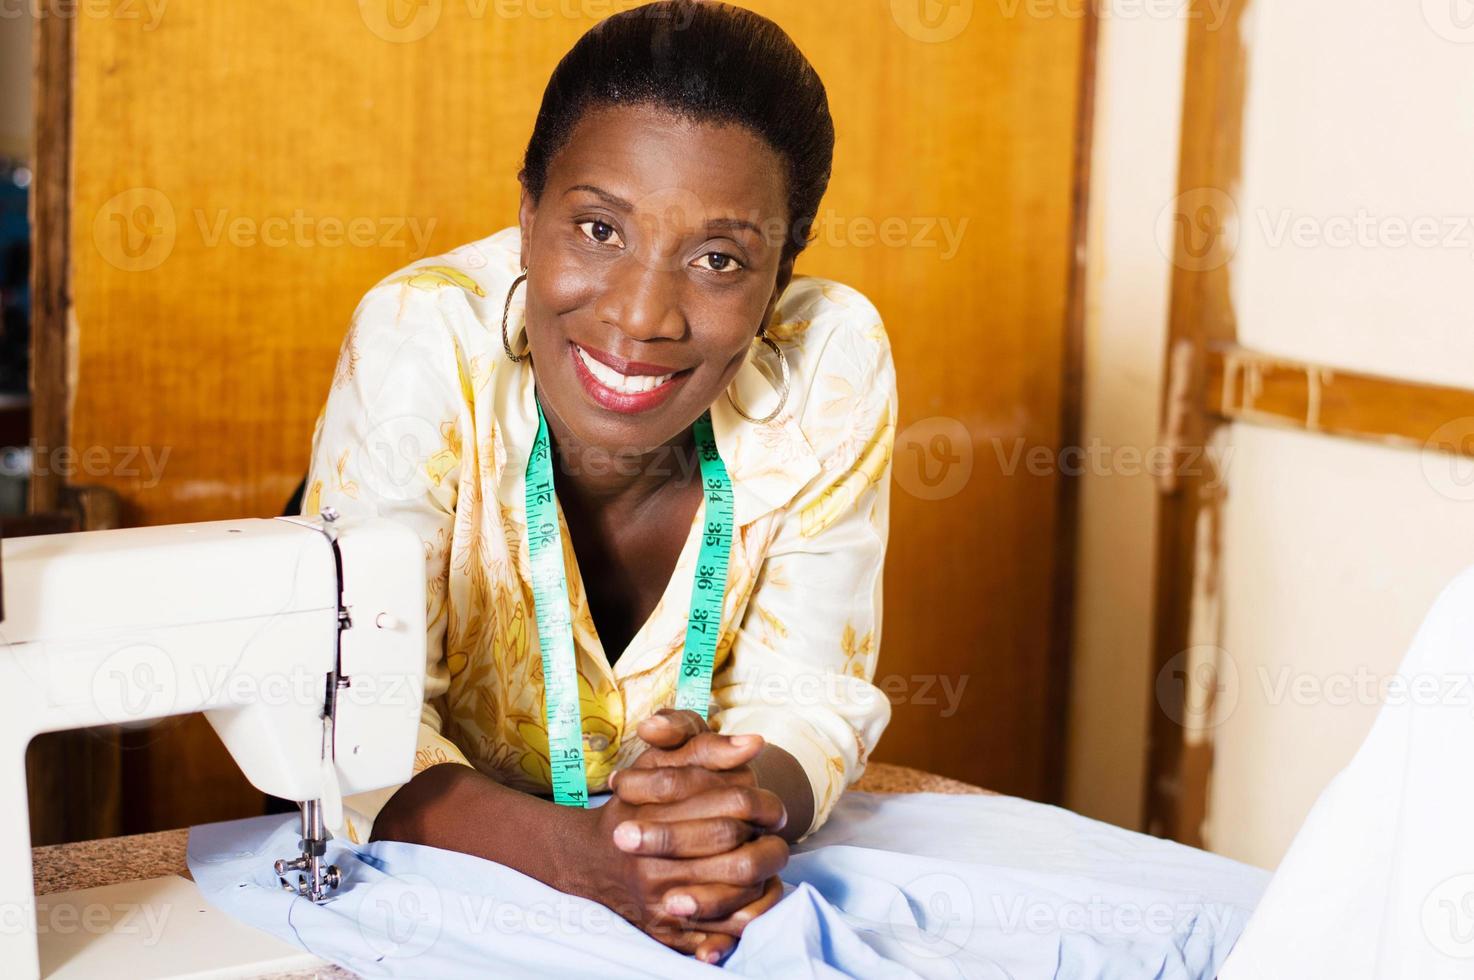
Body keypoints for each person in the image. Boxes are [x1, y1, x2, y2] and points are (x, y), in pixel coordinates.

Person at [302, 1, 895, 964]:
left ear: (780, 277)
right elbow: (352, 735)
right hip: (440, 877)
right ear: (528, 214)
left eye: (718, 259)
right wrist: (593, 858)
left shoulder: (829, 358)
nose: (642, 315)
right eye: (598, 229)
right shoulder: (421, 337)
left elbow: (811, 694)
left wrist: (727, 820)